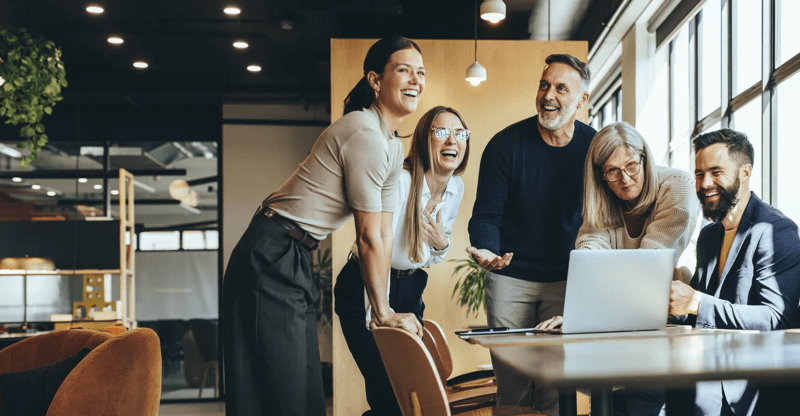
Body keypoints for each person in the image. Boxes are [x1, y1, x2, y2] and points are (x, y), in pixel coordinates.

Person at [221, 36, 425, 416]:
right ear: (375, 80)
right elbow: (366, 238)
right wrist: (381, 312)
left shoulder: (393, 146)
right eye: (403, 70)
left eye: (421, 73)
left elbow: (382, 233)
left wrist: (383, 311)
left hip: (295, 252)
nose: (415, 80)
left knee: (303, 389)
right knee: (281, 391)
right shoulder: (364, 132)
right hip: (271, 250)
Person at [535, 121, 701, 416]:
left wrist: (589, 312)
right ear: (601, 176)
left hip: (667, 323)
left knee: (642, 402)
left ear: (645, 158)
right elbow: (589, 260)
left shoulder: (678, 187)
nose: (624, 179)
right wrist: (577, 316)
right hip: (621, 326)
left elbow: (648, 268)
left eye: (631, 166)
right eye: (612, 171)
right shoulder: (602, 202)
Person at [467, 53, 596, 415]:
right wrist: (488, 251)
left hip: (567, 280)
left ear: (582, 100)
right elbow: (486, 216)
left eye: (560, 88)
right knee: (513, 385)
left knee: (555, 387)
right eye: (544, 85)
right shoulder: (504, 145)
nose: (548, 95)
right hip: (511, 279)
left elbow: (607, 217)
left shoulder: (594, 148)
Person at [335, 106, 470, 415]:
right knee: (389, 393)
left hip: (410, 289)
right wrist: (379, 312)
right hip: (366, 286)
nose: (453, 140)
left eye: (460, 133)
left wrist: (442, 242)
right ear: (425, 139)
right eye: (441, 132)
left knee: (412, 393)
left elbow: (431, 255)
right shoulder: (401, 183)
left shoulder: (455, 189)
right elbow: (373, 247)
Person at [669, 129, 800, 416]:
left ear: (744, 173)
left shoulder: (776, 231)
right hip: (708, 365)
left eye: (716, 172)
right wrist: (667, 301)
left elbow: (777, 320)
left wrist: (696, 302)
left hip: (753, 383)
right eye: (699, 173)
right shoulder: (708, 235)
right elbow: (698, 310)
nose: (705, 183)